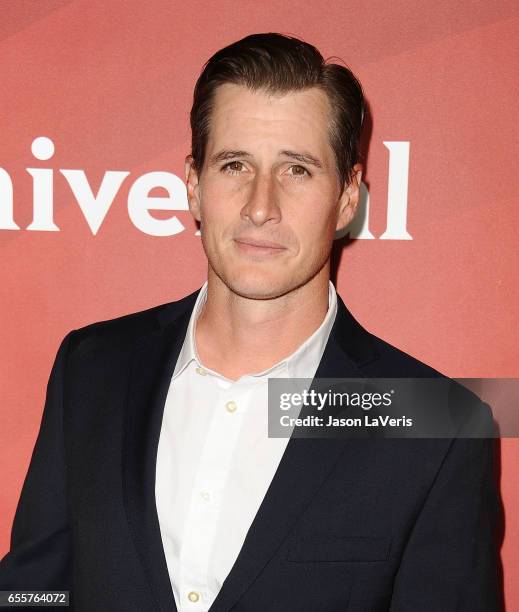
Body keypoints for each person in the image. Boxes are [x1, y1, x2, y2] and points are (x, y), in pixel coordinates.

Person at [0, 33, 501, 611]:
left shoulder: (438, 422)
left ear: (346, 199)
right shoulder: (92, 367)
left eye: (297, 170)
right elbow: (31, 589)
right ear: (193, 185)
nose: (260, 206)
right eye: (235, 164)